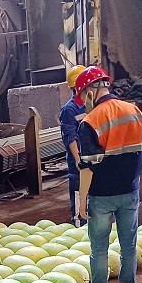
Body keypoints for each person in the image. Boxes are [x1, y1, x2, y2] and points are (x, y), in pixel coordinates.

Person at [75, 65, 142, 283]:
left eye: (83, 97)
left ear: (90, 93)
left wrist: (82, 200)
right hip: (129, 191)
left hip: (101, 196)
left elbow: (87, 167)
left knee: (99, 248)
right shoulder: (134, 111)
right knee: (129, 245)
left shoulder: (90, 121)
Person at [61, 65, 87, 227]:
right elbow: (70, 137)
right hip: (79, 163)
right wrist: (78, 160)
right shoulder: (69, 110)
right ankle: (79, 226)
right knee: (80, 197)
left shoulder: (91, 104)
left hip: (93, 159)